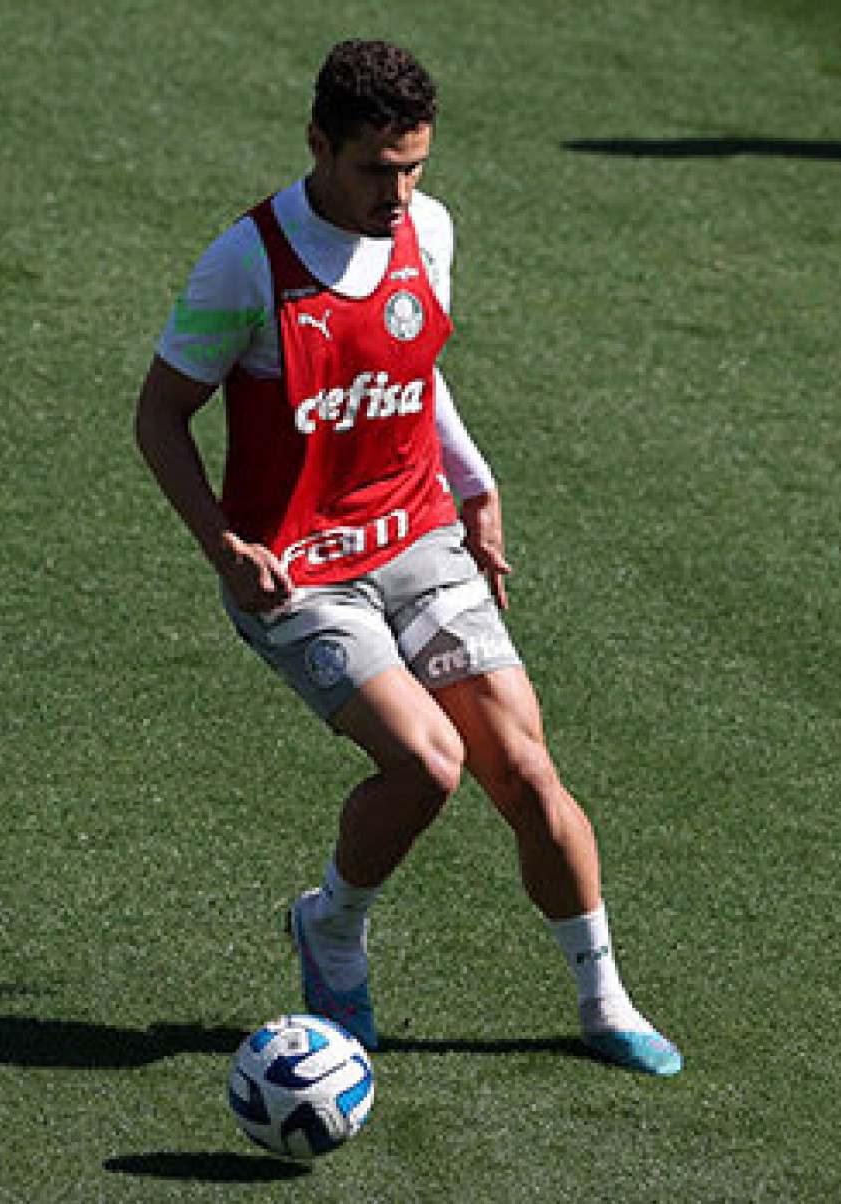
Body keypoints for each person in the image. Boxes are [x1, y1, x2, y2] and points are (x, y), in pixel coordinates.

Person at [132, 39, 681, 1075]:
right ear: (317, 145)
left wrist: (475, 485)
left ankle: (604, 1001)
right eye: (375, 169)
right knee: (429, 763)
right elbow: (160, 416)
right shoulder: (245, 262)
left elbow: (417, 371)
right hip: (300, 569)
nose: (399, 191)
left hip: (417, 531)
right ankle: (331, 928)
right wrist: (223, 545)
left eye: (414, 165)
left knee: (524, 767)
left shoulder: (427, 228)